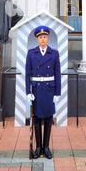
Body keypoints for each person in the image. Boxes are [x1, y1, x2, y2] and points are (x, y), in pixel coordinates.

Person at [25, 26, 61, 159]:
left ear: (48, 38)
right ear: (37, 39)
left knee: (48, 119)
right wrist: (28, 91)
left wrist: (57, 93)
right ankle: (38, 147)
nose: (43, 39)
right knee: (37, 119)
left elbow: (57, 74)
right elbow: (28, 73)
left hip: (49, 90)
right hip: (36, 90)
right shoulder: (31, 53)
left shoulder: (54, 53)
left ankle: (46, 147)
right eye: (40, 37)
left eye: (45, 37)